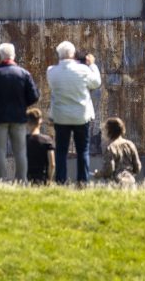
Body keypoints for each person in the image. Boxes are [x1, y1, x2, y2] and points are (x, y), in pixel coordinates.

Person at [47, 40, 102, 185]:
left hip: (61, 116)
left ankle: (60, 181)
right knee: (82, 150)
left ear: (59, 55)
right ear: (73, 54)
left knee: (61, 151)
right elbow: (96, 83)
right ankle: (82, 182)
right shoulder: (83, 70)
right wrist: (92, 65)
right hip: (81, 116)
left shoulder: (51, 71)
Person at [0, 42, 39, 182]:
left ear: (0, 56)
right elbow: (34, 96)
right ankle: (22, 181)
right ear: (14, 55)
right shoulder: (23, 73)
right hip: (19, 117)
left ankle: (0, 181)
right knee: (20, 151)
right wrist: (22, 105)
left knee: (0, 152)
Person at [93, 117, 141, 187]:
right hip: (131, 181)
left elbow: (109, 170)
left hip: (116, 183)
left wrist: (99, 174)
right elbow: (137, 166)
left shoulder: (110, 148)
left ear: (109, 132)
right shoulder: (130, 144)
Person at [25, 107, 55, 185]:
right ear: (40, 121)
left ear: (27, 122)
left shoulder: (23, 141)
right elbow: (52, 164)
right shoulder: (47, 140)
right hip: (42, 180)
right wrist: (49, 180)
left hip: (27, 180)